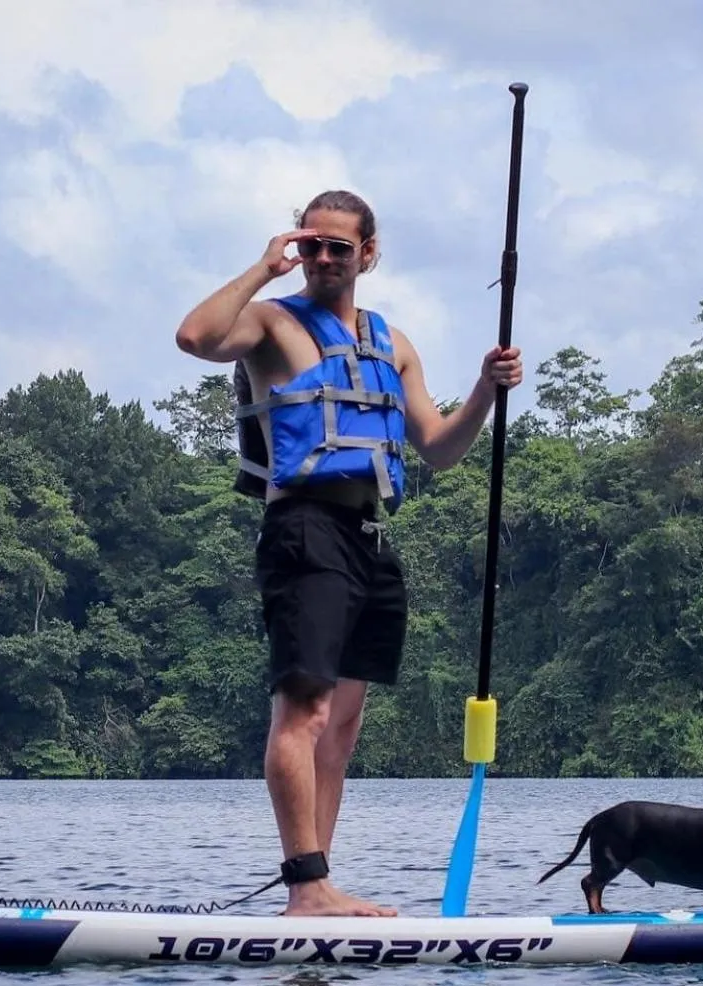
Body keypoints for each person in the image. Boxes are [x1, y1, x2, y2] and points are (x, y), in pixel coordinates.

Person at [174, 189, 524, 916]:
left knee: (342, 725)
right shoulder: (272, 321)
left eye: (339, 246)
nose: (324, 257)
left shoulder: (392, 343)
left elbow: (440, 449)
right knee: (303, 710)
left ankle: (319, 880)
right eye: (312, 243)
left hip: (370, 540)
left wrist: (486, 392)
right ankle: (307, 886)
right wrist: (262, 268)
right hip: (304, 528)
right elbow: (195, 336)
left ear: (368, 253)